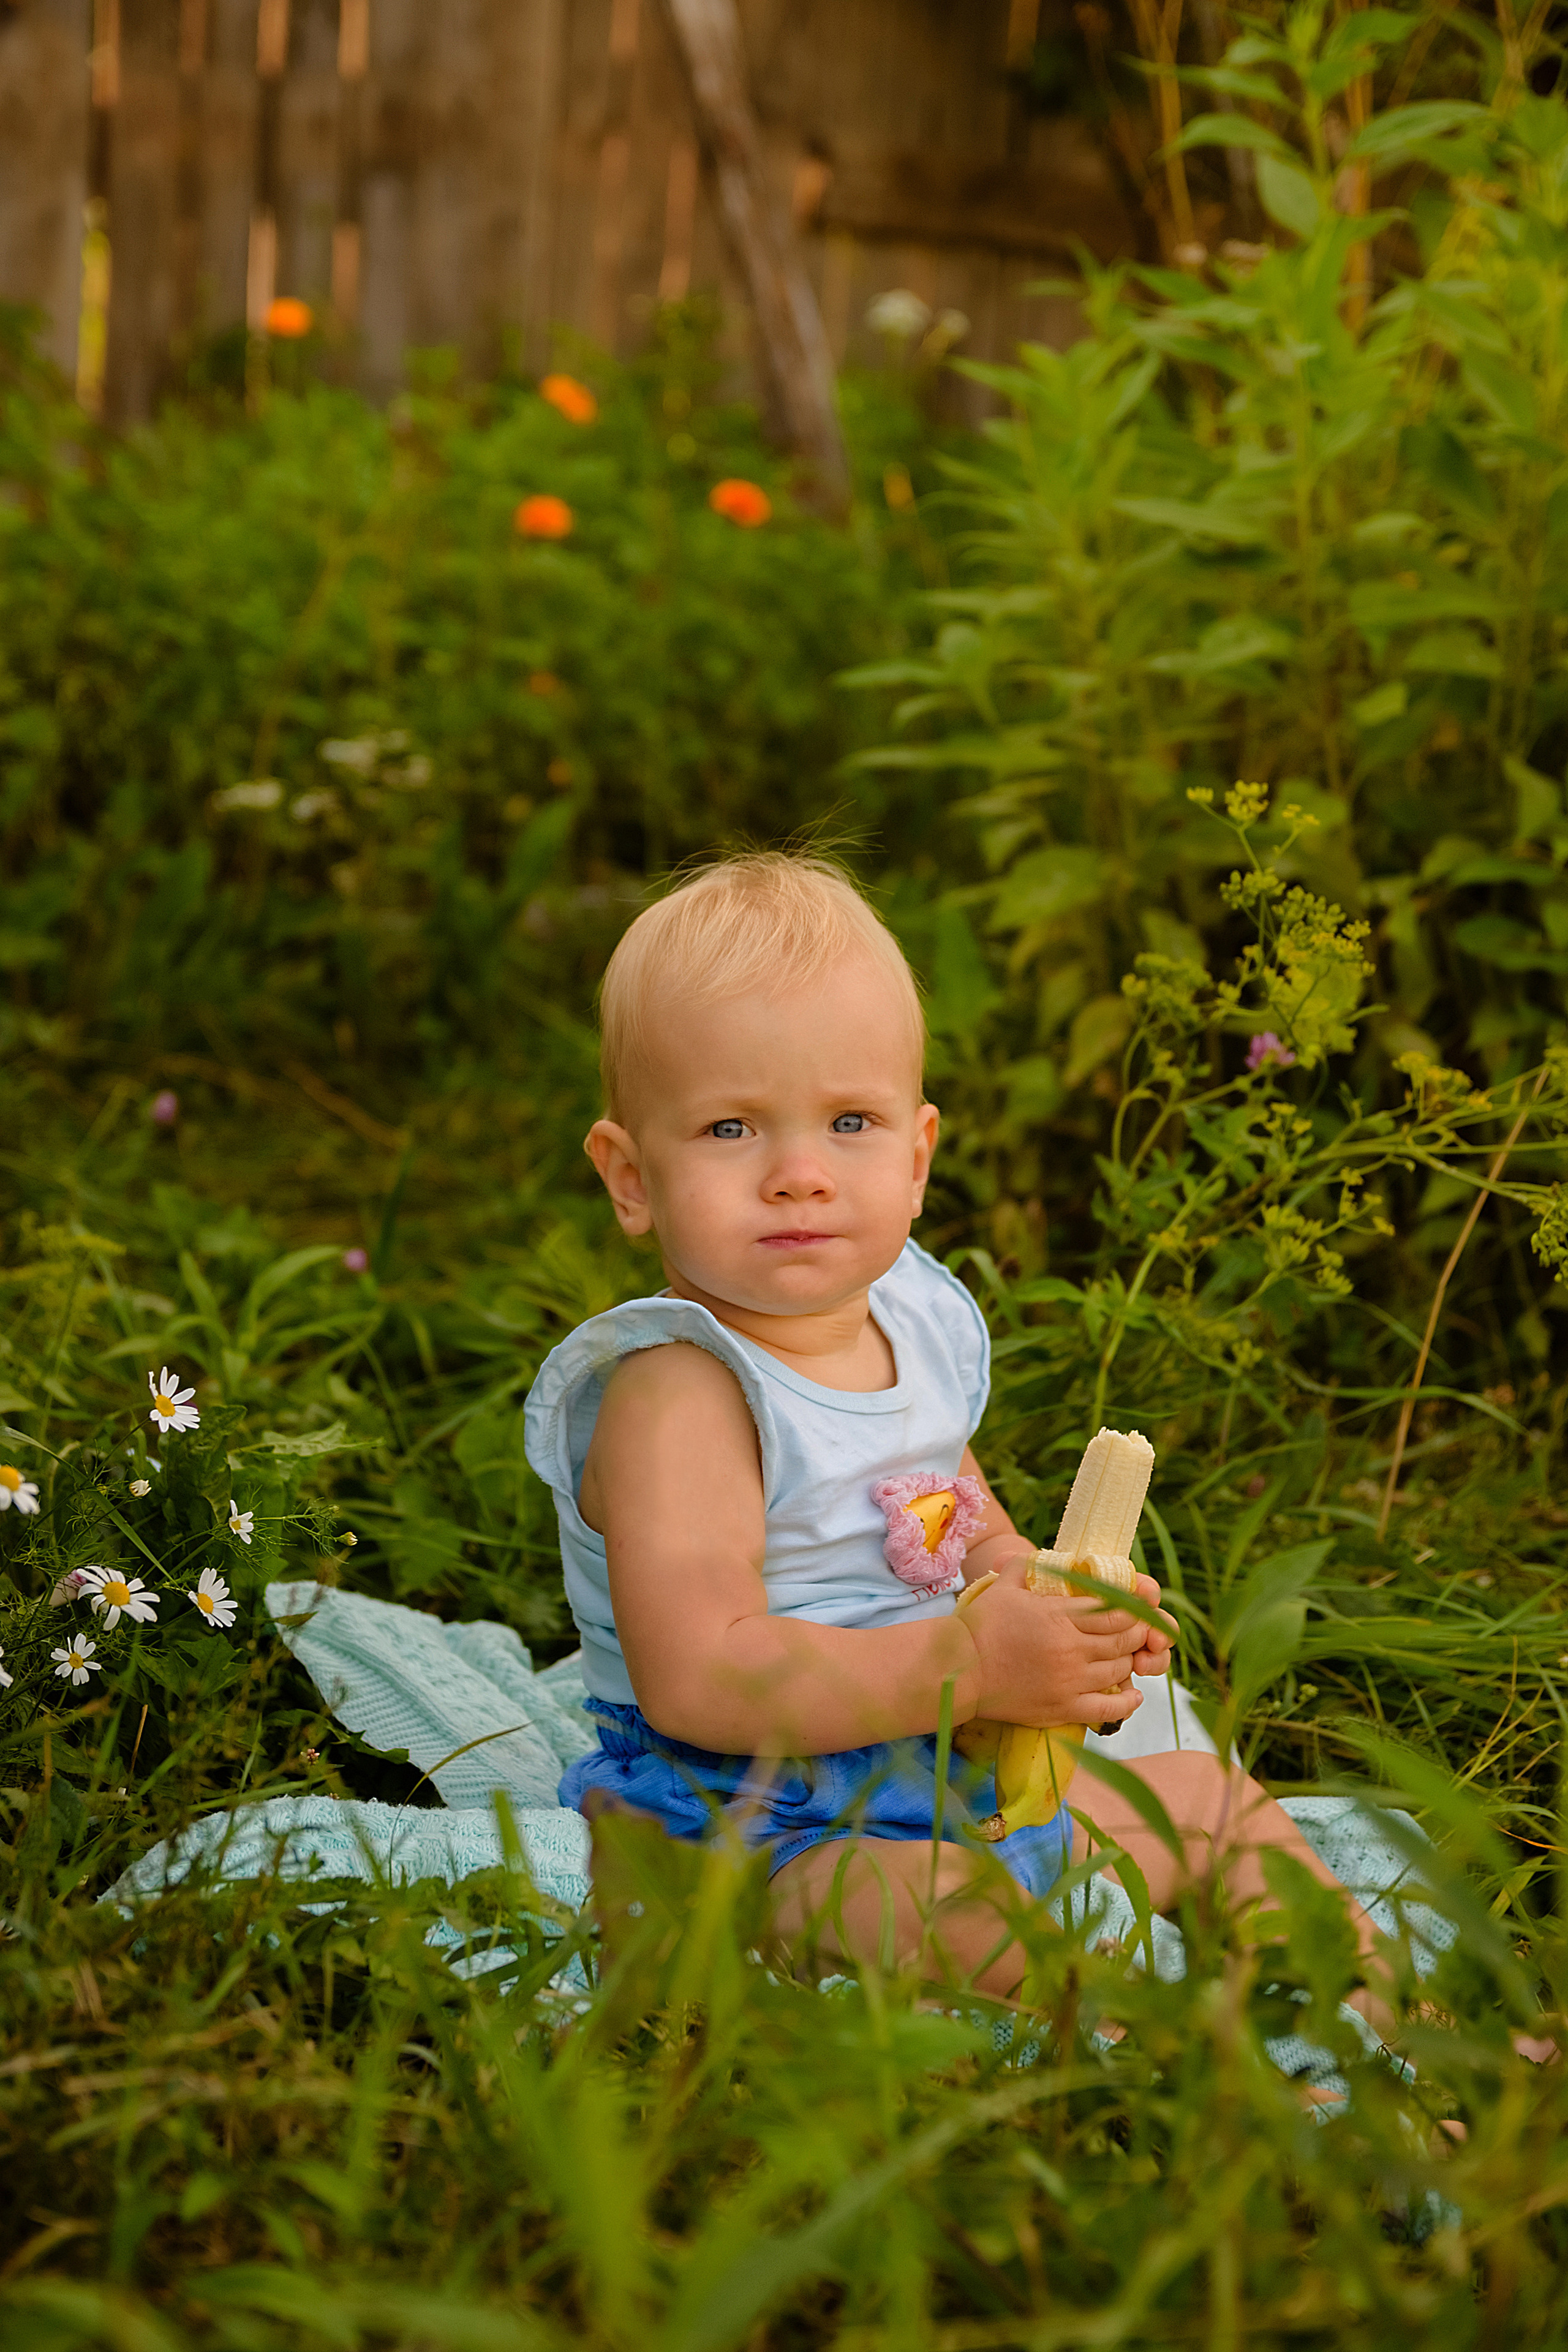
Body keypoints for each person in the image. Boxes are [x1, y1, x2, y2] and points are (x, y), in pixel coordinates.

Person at [523, 851, 1391, 2003]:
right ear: (631, 1178)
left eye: (848, 1121)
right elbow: (703, 1675)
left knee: (1210, 1804)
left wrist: (1042, 1598)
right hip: (760, 1824)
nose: (798, 1175)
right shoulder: (679, 1390)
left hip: (946, 1773)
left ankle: (1390, 2027)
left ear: (918, 1156)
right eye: (731, 1129)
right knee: (945, 1916)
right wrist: (971, 1663)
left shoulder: (909, 1326)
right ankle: (1189, 2068)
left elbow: (948, 1512)